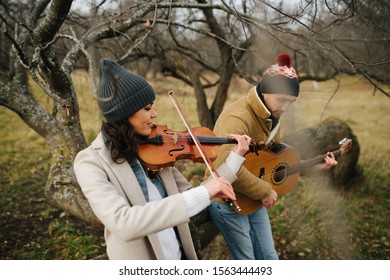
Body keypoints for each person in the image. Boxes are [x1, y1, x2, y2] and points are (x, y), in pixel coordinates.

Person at [73, 58, 252, 260]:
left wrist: (235, 158)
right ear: (125, 113)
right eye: (147, 109)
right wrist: (204, 192)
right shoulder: (90, 162)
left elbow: (194, 194)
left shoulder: (154, 149)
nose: (155, 114)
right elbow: (124, 223)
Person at [208, 53, 338, 260]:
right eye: (283, 100)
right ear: (267, 90)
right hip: (228, 201)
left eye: (291, 102)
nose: (286, 108)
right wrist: (265, 190)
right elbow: (224, 168)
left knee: (269, 258)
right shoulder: (238, 118)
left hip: (253, 198)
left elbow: (274, 161)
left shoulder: (272, 115)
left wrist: (310, 167)